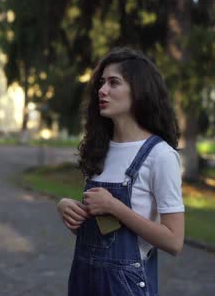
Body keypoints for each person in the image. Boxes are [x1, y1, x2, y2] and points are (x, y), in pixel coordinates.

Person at [56, 47, 185, 296]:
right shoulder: (100, 149)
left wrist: (115, 207)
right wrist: (67, 209)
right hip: (83, 279)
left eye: (114, 83)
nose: (102, 90)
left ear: (138, 91)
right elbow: (103, 233)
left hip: (124, 286)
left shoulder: (161, 156)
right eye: (102, 83)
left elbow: (174, 241)